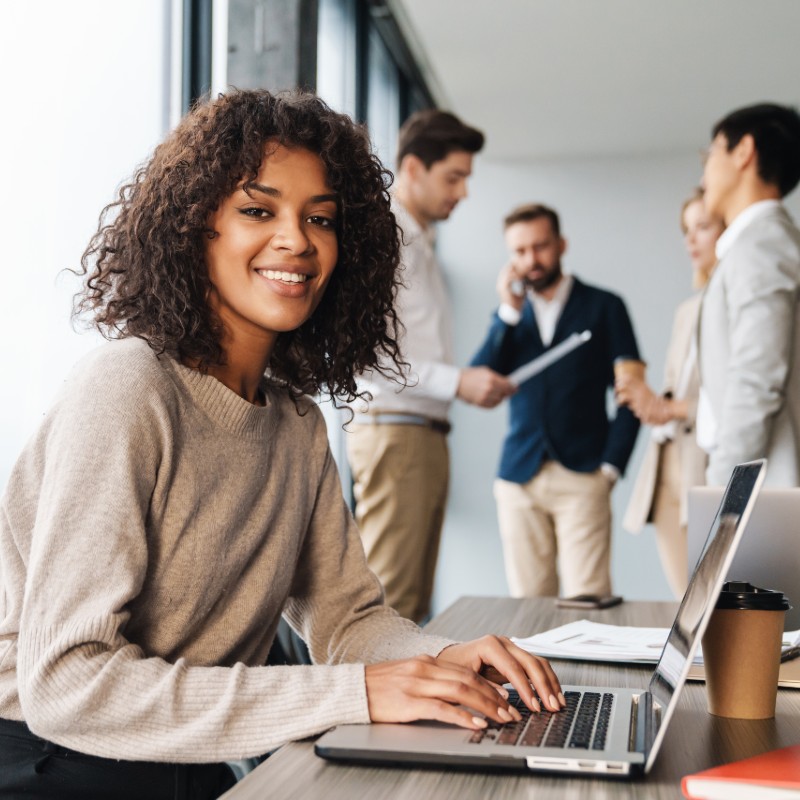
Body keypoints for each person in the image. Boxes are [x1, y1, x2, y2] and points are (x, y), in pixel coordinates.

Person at [0, 90, 564, 799]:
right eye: (258, 210)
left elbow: (347, 620)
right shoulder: (127, 389)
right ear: (195, 227)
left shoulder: (296, 425)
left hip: (187, 755)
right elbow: (65, 683)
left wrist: (444, 657)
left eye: (320, 218)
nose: (297, 240)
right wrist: (353, 695)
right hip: (53, 761)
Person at [347, 110, 514, 623]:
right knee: (390, 605)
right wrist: (457, 381)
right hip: (398, 433)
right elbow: (366, 356)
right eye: (454, 177)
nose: (463, 192)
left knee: (410, 605)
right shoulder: (389, 238)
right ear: (414, 169)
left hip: (419, 433)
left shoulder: (419, 241)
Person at [471, 203, 640, 598]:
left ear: (561, 244)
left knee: (588, 599)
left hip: (584, 474)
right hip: (519, 476)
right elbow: (478, 381)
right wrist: (507, 314)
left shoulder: (605, 306)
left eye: (541, 246)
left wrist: (611, 467)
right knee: (528, 604)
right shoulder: (510, 317)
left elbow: (632, 392)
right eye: (520, 251)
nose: (531, 259)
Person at [617, 190, 725, 598]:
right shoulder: (688, 310)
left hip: (707, 466)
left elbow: (741, 399)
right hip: (665, 471)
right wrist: (646, 400)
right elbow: (675, 391)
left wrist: (667, 407)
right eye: (686, 230)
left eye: (702, 227)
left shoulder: (743, 305)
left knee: (715, 605)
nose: (690, 240)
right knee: (686, 603)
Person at [697, 102, 800, 487]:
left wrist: (725, 489)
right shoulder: (764, 243)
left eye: (710, 155)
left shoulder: (762, 245)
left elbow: (758, 377)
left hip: (765, 486)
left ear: (744, 152)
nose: (704, 173)